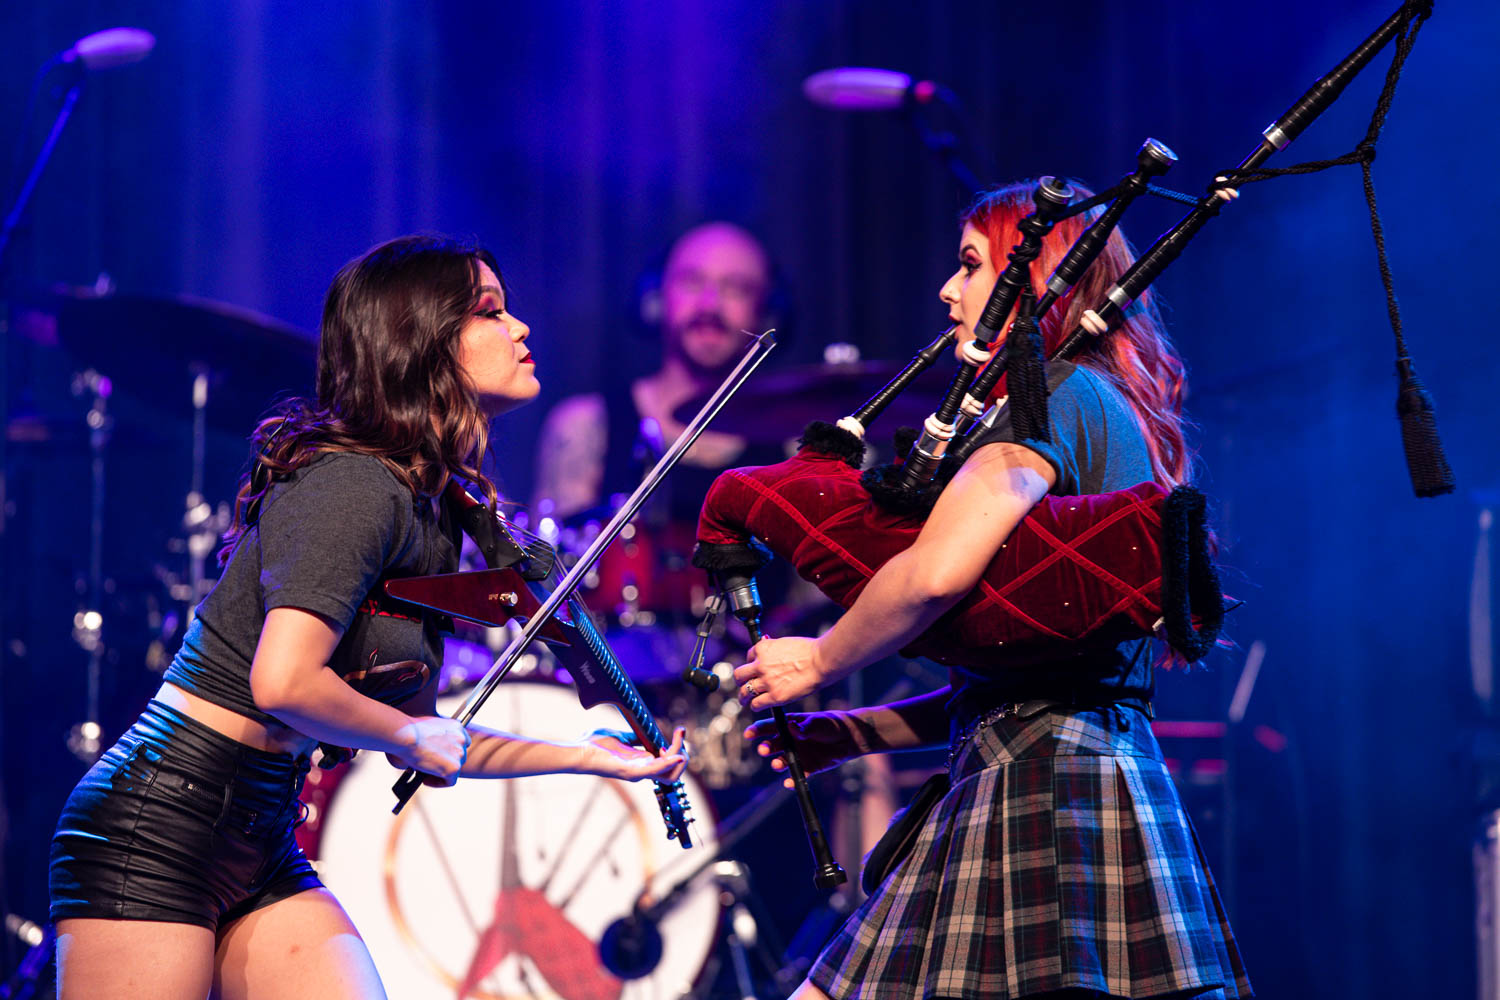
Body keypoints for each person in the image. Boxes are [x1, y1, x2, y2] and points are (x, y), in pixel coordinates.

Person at [47, 235, 688, 1000]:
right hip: (158, 824)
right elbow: (286, 682)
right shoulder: (355, 482)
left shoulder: (430, 506)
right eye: (490, 312)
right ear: (423, 341)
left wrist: (591, 758)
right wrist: (411, 736)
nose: (519, 328)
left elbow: (426, 735)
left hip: (258, 830)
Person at [736, 182, 1253, 1000]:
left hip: (1041, 787)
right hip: (1059, 769)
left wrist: (820, 660)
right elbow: (1025, 684)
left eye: (972, 264)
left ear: (1032, 278)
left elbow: (934, 572)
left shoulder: (1051, 399)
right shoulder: (1099, 403)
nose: (949, 289)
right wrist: (856, 732)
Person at [532, 220, 782, 525]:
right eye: (692, 282)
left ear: (768, 314)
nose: (710, 305)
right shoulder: (585, 425)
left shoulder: (793, 442)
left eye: (736, 289)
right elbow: (555, 552)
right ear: (654, 300)